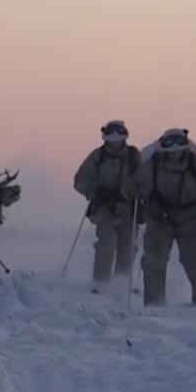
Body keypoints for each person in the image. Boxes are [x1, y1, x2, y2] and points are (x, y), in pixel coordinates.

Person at [134, 128, 196, 306]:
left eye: (179, 146)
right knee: (154, 262)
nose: (174, 152)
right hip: (159, 220)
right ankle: (154, 305)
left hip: (190, 220)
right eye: (170, 146)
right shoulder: (153, 165)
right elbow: (135, 184)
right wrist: (135, 196)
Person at [73, 120, 142, 289]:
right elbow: (80, 180)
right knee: (106, 245)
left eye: (119, 133)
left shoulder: (133, 156)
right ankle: (101, 283)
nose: (115, 138)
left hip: (128, 208)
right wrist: (93, 193)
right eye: (111, 133)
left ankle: (122, 283)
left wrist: (140, 193)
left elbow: (144, 177)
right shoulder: (98, 156)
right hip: (104, 208)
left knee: (127, 248)